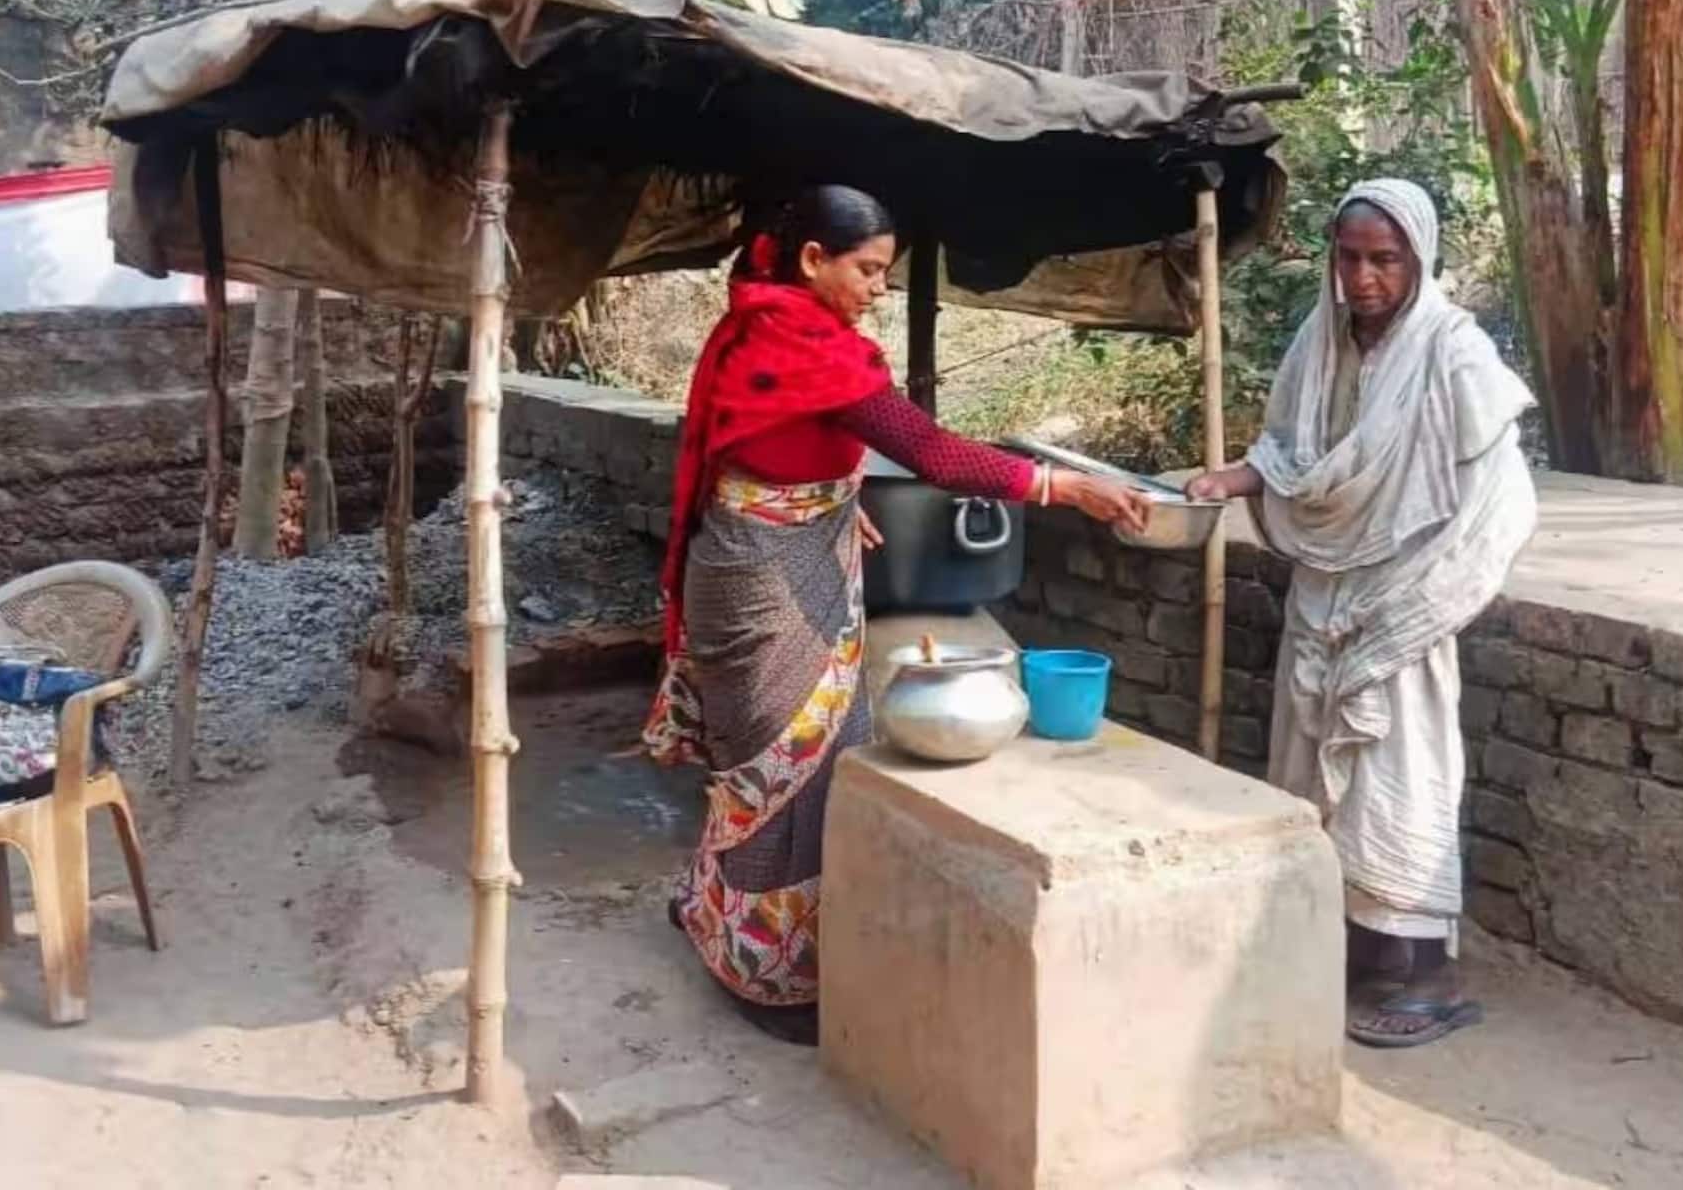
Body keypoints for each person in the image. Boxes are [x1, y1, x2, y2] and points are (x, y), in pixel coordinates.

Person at [643, 184, 1151, 1046]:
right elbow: (928, 450)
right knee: (785, 771)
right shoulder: (807, 345)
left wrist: (832, 497)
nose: (878, 289)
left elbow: (755, 442)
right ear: (813, 260)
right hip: (762, 578)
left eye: (885, 273)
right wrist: (1062, 486)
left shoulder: (756, 319)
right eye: (868, 270)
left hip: (769, 550)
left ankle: (713, 910)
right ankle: (762, 971)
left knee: (780, 761)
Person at [1187, 178, 1537, 1050]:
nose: (1365, 277)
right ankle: (1341, 939)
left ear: (1418, 259)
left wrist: (1429, 594)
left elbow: (1499, 491)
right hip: (1324, 592)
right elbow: (1294, 452)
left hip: (1401, 602)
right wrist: (1233, 478)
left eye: (1384, 259)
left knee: (1397, 778)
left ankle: (1424, 976)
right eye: (1350, 257)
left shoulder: (1454, 352)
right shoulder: (1321, 340)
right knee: (1310, 771)